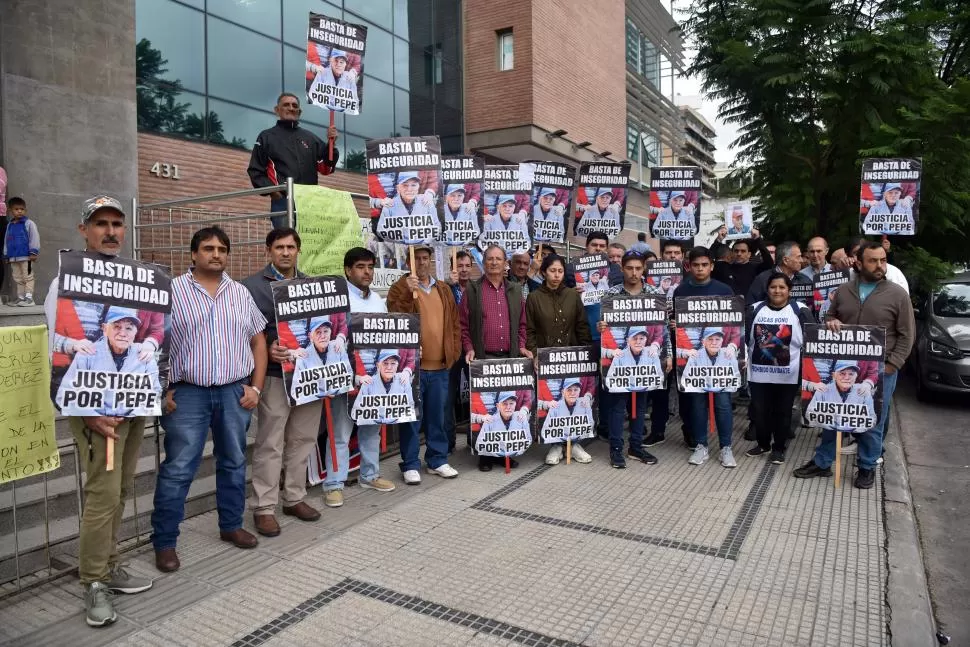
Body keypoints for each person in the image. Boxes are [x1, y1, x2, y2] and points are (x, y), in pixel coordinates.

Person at [45, 196, 153, 627]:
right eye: (101, 223)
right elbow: (57, 347)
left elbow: (146, 332)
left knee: (121, 489)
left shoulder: (134, 280)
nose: (110, 231)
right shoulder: (63, 282)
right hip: (94, 409)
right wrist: (87, 411)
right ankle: (92, 581)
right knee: (103, 494)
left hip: (130, 404)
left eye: (117, 223)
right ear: (83, 229)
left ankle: (108, 565)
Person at [152, 226, 268, 573]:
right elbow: (154, 343)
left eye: (221, 249)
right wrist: (163, 390)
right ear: (193, 254)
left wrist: (256, 388)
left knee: (233, 460)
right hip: (187, 393)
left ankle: (231, 525)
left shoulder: (241, 294)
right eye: (207, 248)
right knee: (178, 468)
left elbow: (258, 342)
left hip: (235, 392)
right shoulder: (171, 292)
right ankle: (164, 542)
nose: (215, 254)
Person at [794, 241, 915, 489]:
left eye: (883, 260)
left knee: (872, 419)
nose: (880, 265)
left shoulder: (897, 294)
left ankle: (867, 465)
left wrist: (893, 365)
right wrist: (831, 321)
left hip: (881, 369)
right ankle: (823, 461)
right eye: (873, 260)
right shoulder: (845, 290)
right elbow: (829, 315)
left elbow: (907, 335)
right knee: (833, 415)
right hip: (843, 366)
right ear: (859, 263)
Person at [240, 228, 327, 535]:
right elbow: (246, 333)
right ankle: (263, 506)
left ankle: (293, 496)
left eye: (291, 247)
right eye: (280, 247)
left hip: (309, 376)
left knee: (303, 438)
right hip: (275, 377)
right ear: (269, 251)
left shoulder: (313, 287)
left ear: (298, 251)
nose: (286, 252)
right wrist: (270, 343)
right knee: (270, 441)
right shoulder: (250, 287)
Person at [323, 247, 398, 508]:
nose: (367, 272)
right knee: (342, 434)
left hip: (374, 378)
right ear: (347, 270)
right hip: (346, 377)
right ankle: (334, 483)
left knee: (371, 429)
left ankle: (370, 475)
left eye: (370, 267)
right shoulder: (337, 299)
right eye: (360, 267)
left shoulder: (378, 301)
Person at [387, 244, 462, 484]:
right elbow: (395, 317)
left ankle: (437, 459)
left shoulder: (442, 289)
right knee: (411, 418)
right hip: (413, 369)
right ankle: (409, 463)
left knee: (437, 416)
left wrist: (454, 350)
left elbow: (454, 324)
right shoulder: (400, 287)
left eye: (425, 258)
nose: (421, 263)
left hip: (440, 367)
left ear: (431, 261)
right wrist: (408, 293)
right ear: (409, 261)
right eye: (416, 258)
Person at [459, 244, 532, 471]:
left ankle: (505, 452)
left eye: (498, 259)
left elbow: (521, 324)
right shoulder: (473, 289)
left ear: (505, 263)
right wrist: (469, 348)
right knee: (486, 408)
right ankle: (485, 455)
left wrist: (521, 346)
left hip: (508, 360)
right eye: (489, 258)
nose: (493, 262)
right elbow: (463, 325)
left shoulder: (514, 290)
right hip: (483, 359)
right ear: (484, 262)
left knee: (506, 403)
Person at [600, 250, 672, 466]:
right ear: (622, 269)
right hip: (620, 359)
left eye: (638, 268)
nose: (633, 272)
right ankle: (615, 449)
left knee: (640, 405)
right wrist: (601, 327)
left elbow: (663, 328)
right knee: (618, 405)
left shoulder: (654, 293)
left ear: (644, 269)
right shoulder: (611, 294)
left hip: (645, 358)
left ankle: (636, 447)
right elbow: (605, 329)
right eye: (629, 268)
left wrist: (667, 354)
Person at [673, 247, 738, 468]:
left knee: (723, 403)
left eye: (704, 265)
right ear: (688, 266)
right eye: (696, 265)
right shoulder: (680, 291)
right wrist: (675, 326)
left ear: (711, 266)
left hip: (721, 357)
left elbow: (733, 325)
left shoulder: (724, 290)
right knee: (697, 404)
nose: (700, 269)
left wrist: (734, 348)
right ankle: (701, 446)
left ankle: (726, 448)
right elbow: (678, 326)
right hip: (695, 357)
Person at [525, 253, 592, 465]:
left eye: (560, 271)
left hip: (573, 357)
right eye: (552, 271)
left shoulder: (573, 295)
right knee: (553, 401)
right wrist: (535, 353)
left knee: (575, 400)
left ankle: (575, 443)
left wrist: (586, 352)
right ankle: (555, 445)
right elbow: (530, 331)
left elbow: (582, 325)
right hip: (548, 360)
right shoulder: (534, 298)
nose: (556, 275)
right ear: (544, 272)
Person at [744, 272, 813, 464]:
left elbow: (812, 339)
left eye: (782, 287)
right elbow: (742, 337)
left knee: (783, 412)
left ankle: (779, 448)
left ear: (789, 290)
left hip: (787, 375)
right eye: (773, 287)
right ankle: (763, 444)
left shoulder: (800, 310)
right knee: (760, 411)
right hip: (758, 374)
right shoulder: (754, 309)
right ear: (767, 289)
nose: (777, 291)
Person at [247, 92, 339, 228]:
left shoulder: (310, 138)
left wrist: (332, 144)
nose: (291, 108)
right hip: (283, 202)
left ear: (299, 112)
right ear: (277, 110)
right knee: (285, 243)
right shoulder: (266, 137)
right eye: (286, 105)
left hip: (310, 203)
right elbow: (255, 170)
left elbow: (326, 168)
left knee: (310, 246)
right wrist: (275, 193)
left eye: (294, 105)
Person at [55, 307, 161, 417]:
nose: (123, 333)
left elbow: (155, 392)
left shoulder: (144, 354)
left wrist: (130, 416)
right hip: (92, 421)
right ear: (105, 329)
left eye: (129, 328)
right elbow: (63, 396)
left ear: (135, 332)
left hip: (132, 420)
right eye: (117, 326)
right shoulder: (87, 353)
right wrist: (96, 419)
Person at [445, 250, 473, 452]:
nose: (463, 270)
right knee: (448, 396)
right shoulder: (445, 289)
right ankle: (448, 440)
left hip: (472, 348)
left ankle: (476, 437)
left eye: (466, 266)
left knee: (476, 394)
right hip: (452, 348)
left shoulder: (476, 289)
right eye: (459, 266)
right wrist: (448, 285)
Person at [803, 361, 877, 429]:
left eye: (851, 374)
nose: (847, 378)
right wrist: (831, 424)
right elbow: (810, 415)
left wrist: (852, 427)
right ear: (834, 376)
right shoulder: (822, 390)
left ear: (856, 376)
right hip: (829, 429)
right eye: (842, 373)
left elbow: (872, 419)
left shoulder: (864, 392)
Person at [375, 171, 439, 242]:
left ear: (418, 187)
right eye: (405, 185)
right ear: (398, 188)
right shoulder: (389, 204)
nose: (409, 189)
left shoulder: (427, 202)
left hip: (422, 246)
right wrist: (402, 243)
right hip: (397, 247)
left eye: (413, 185)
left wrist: (424, 242)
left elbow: (437, 227)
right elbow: (381, 230)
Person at [710, 231, 773, 297]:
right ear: (732, 253)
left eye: (743, 251)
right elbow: (707, 259)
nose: (739, 254)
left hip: (748, 305)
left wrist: (758, 239)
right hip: (728, 305)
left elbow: (769, 263)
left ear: (749, 254)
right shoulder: (723, 267)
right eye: (736, 251)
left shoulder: (755, 268)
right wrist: (719, 240)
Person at [747, 241, 812, 303]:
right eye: (798, 257)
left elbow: (812, 307)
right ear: (785, 260)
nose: (801, 260)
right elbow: (750, 307)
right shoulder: (762, 280)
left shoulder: (805, 280)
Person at [3, 196, 40, 306]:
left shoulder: (29, 224)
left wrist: (33, 252)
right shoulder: (9, 225)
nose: (19, 211)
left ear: (25, 210)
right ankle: (21, 298)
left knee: (28, 277)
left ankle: (29, 299)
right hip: (13, 258)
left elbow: (34, 238)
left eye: (22, 209)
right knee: (18, 278)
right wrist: (6, 255)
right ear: (10, 210)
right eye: (16, 209)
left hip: (26, 257)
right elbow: (6, 241)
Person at [538, 377, 595, 442]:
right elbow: (546, 431)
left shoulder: (585, 404)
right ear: (563, 392)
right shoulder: (555, 406)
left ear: (579, 391)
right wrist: (558, 442)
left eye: (576, 390)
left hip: (579, 442)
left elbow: (590, 425)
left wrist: (577, 441)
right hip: (557, 442)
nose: (573, 393)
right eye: (569, 390)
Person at [308, 48, 360, 112]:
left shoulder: (350, 77)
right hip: (323, 110)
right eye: (336, 61)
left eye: (341, 62)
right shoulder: (322, 73)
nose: (338, 64)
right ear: (330, 61)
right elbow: (312, 93)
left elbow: (355, 102)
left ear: (345, 64)